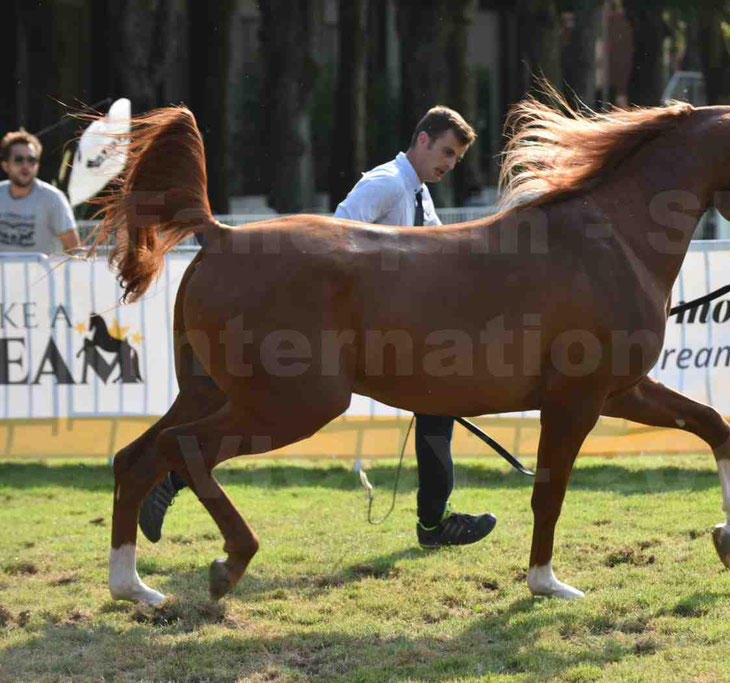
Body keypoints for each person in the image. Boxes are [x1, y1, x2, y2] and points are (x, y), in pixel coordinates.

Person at [138, 106, 497, 549]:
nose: (449, 164)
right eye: (446, 152)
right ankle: (174, 473)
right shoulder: (386, 183)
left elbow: (436, 257)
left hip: (391, 328)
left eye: (456, 159)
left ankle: (434, 520)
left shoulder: (419, 192)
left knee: (436, 405)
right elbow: (338, 239)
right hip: (361, 330)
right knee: (280, 408)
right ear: (421, 140)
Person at [0, 129, 80, 253]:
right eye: (19, 159)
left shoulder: (53, 199)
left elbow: (75, 249)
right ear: (5, 165)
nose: (26, 165)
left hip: (42, 272)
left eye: (31, 160)